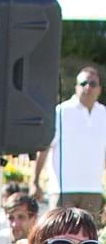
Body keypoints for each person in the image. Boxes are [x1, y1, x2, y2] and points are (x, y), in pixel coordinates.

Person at [33, 66, 106, 217]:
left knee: (89, 239)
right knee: (58, 237)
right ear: (76, 87)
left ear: (99, 89)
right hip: (62, 190)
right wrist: (35, 181)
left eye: (92, 84)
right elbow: (44, 148)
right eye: (83, 83)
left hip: (93, 191)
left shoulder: (104, 114)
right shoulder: (61, 112)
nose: (88, 87)